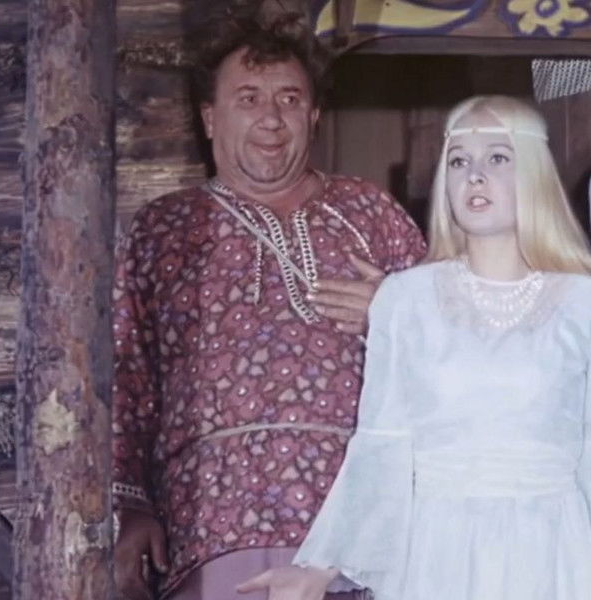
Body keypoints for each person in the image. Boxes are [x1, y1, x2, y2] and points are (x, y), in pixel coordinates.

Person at [111, 14, 426, 600]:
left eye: (290, 98)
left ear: (314, 115)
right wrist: (131, 506)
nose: (272, 118)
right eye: (249, 98)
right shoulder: (165, 229)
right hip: (210, 529)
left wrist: (398, 316)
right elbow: (130, 379)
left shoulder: (371, 213)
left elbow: (456, 354)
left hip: (359, 531)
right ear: (210, 118)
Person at [239, 94, 591, 600]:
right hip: (437, 551)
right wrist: (319, 567)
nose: (475, 176)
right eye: (459, 162)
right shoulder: (406, 299)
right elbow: (382, 443)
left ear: (535, 172)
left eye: (497, 158)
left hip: (553, 550)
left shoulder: (580, 303)